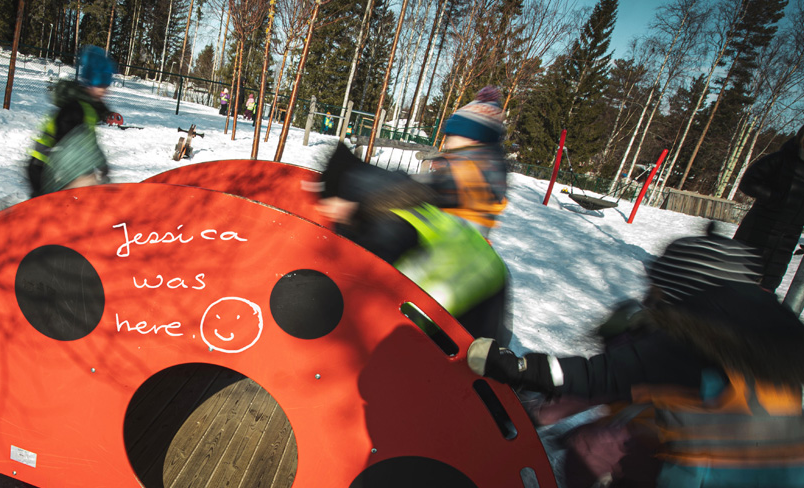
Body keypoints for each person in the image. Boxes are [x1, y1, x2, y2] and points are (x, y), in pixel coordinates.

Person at [467, 224, 804, 487]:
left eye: (656, 291)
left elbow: (599, 375)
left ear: (679, 295)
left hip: (711, 474)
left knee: (591, 449)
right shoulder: (764, 343)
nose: (649, 297)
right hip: (786, 473)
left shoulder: (688, 343)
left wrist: (517, 366)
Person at [314, 143, 511, 344]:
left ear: (345, 195)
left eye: (331, 203)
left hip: (471, 296)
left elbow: (372, 287)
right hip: (484, 279)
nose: (330, 212)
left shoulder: (387, 224)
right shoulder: (390, 198)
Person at [420, 85, 510, 236]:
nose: (447, 142)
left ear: (473, 138)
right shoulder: (486, 161)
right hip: (461, 241)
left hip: (453, 244)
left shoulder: (477, 166)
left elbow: (437, 188)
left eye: (452, 135)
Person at [26, 45, 115, 198]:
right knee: (77, 191)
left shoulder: (89, 109)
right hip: (42, 166)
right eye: (100, 85)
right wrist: (84, 178)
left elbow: (88, 142)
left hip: (57, 166)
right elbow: (67, 147)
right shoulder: (75, 108)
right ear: (90, 82)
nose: (105, 90)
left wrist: (102, 165)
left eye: (106, 85)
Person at [733, 124, 804, 291]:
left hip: (786, 242)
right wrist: (774, 198)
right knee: (735, 283)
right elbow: (748, 182)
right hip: (758, 230)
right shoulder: (780, 159)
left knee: (766, 290)